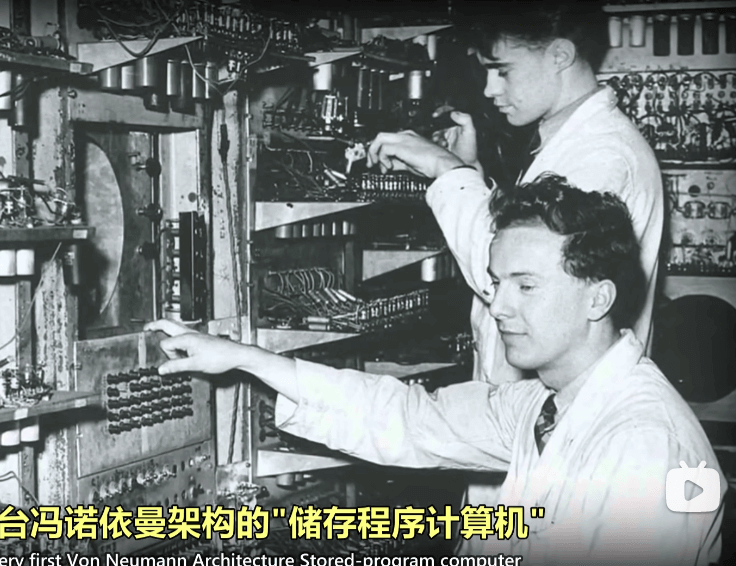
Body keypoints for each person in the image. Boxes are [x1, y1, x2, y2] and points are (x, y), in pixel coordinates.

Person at [146, 175, 724, 565]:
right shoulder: (548, 404)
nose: (498, 307)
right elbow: (414, 417)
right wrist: (245, 358)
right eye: (496, 283)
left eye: (525, 286)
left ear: (598, 298)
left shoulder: (644, 444)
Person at [368, 0, 665, 512]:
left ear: (560, 55)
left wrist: (447, 172)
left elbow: (518, 275)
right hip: (533, 418)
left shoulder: (601, 156)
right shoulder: (573, 143)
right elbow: (523, 240)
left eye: (502, 71)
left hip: (558, 428)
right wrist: (473, 172)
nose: (490, 90)